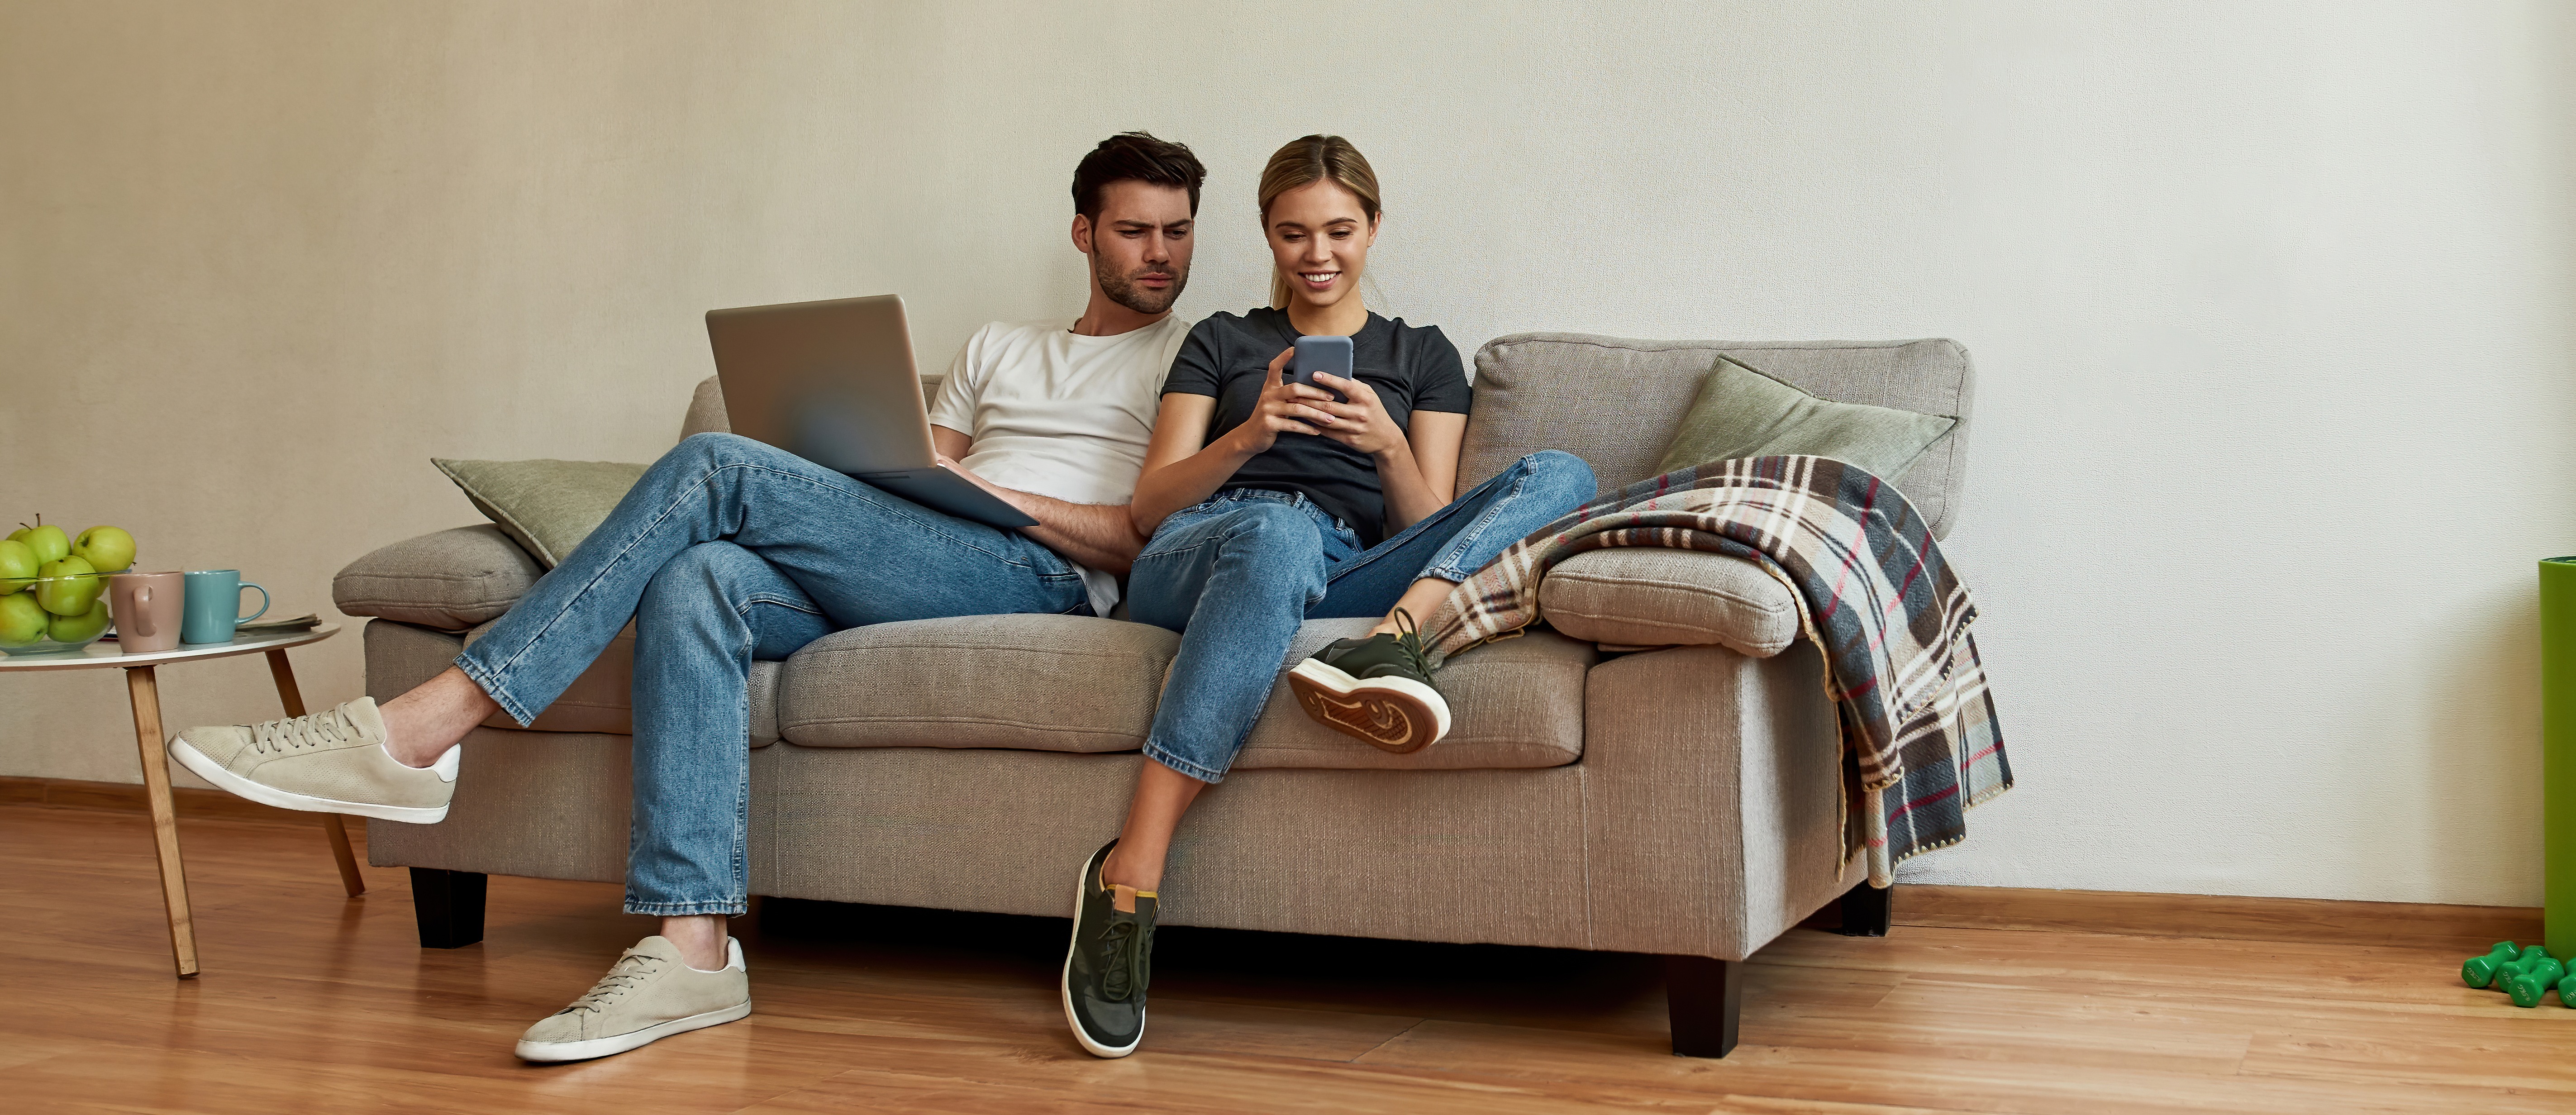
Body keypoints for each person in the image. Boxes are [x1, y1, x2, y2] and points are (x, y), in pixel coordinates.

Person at [162, 131, 1212, 1063]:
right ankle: (692, 944)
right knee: (698, 575)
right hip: (913, 557)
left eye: (1177, 231)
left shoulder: (1199, 357)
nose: (1159, 253)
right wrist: (860, 474)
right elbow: (918, 474)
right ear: (1083, 232)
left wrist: (993, 497)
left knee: (715, 461)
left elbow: (1138, 531)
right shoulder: (995, 347)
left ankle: (427, 725)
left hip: (1039, 578)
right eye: (1134, 230)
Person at [1058, 134, 1595, 1058]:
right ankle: (1129, 875)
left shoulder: (1422, 355)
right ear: (1267, 234)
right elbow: (1148, 505)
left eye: (1339, 231)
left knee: (1562, 470)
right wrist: (1248, 437)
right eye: (1293, 233)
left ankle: (1392, 639)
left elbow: (1432, 521)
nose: (1318, 255)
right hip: (1208, 544)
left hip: (1345, 565)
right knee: (1273, 529)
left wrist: (1387, 447)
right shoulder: (1222, 340)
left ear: (1373, 227)